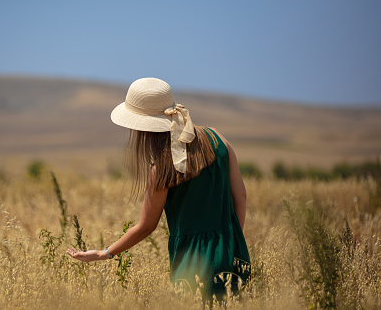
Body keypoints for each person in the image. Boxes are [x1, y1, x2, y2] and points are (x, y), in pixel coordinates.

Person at [66, 77, 250, 299]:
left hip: (191, 265)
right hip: (235, 254)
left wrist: (104, 253)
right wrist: (230, 243)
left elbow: (146, 226)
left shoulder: (161, 169)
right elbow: (240, 196)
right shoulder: (219, 139)